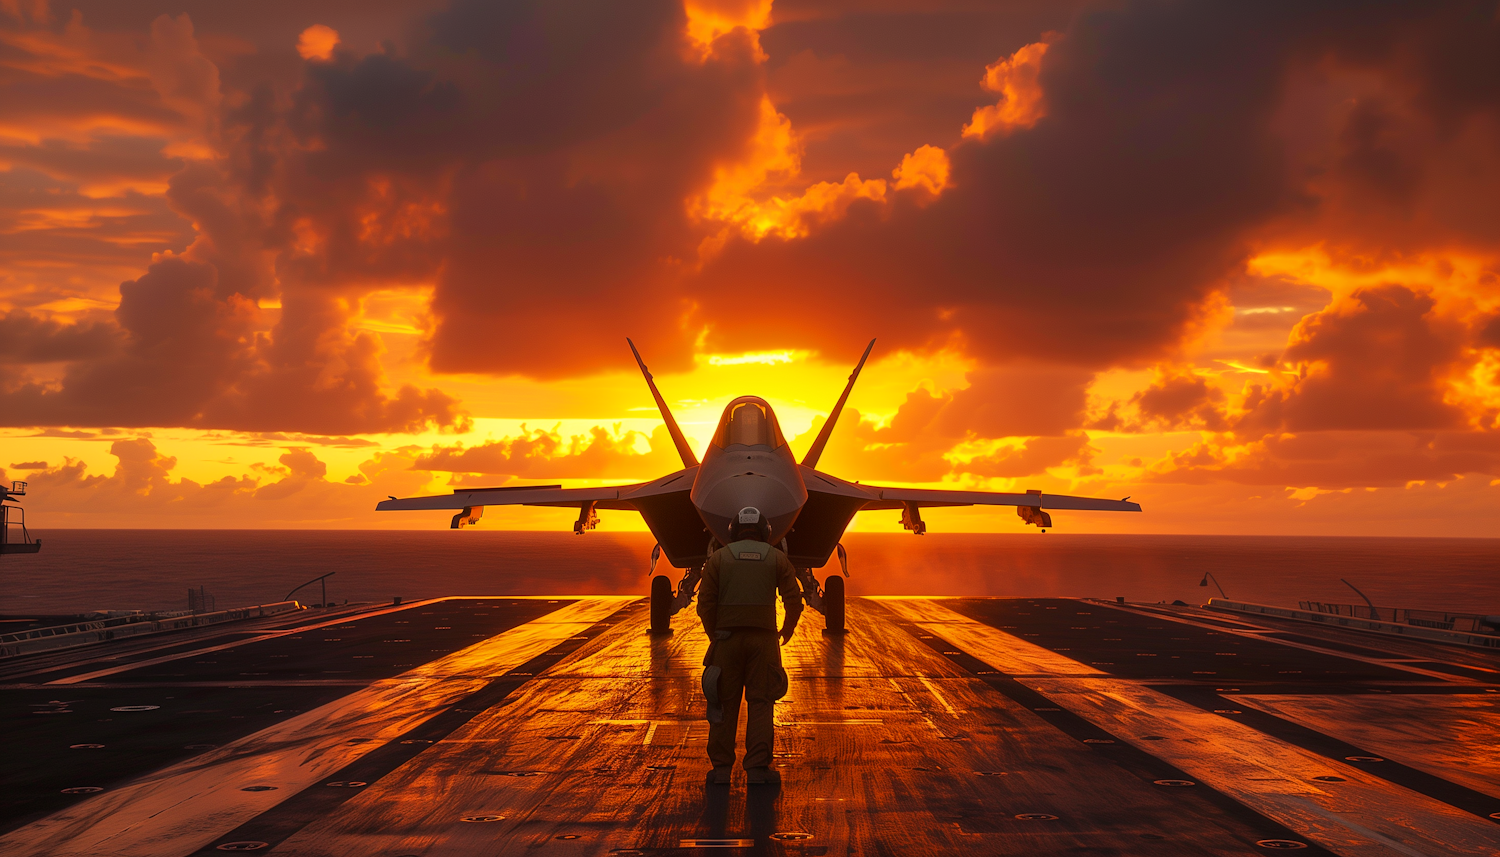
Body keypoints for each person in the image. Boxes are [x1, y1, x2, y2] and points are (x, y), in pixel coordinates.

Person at [698, 506, 802, 786]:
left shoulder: (718, 559)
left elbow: (705, 603)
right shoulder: (777, 558)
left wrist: (714, 635)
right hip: (764, 642)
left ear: (732, 530)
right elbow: (794, 599)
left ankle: (721, 771)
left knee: (722, 704)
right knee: (761, 703)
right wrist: (787, 629)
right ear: (765, 531)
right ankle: (756, 770)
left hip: (726, 640)